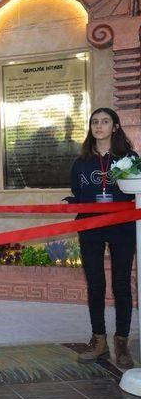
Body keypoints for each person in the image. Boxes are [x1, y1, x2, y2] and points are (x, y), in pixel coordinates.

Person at [66, 108, 136, 368]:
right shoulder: (82, 160)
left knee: (120, 284)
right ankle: (98, 340)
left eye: (105, 122)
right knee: (95, 283)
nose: (99, 126)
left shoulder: (129, 158)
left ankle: (122, 342)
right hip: (91, 226)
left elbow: (134, 190)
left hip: (122, 227)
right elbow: (77, 189)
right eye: (94, 122)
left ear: (115, 127)